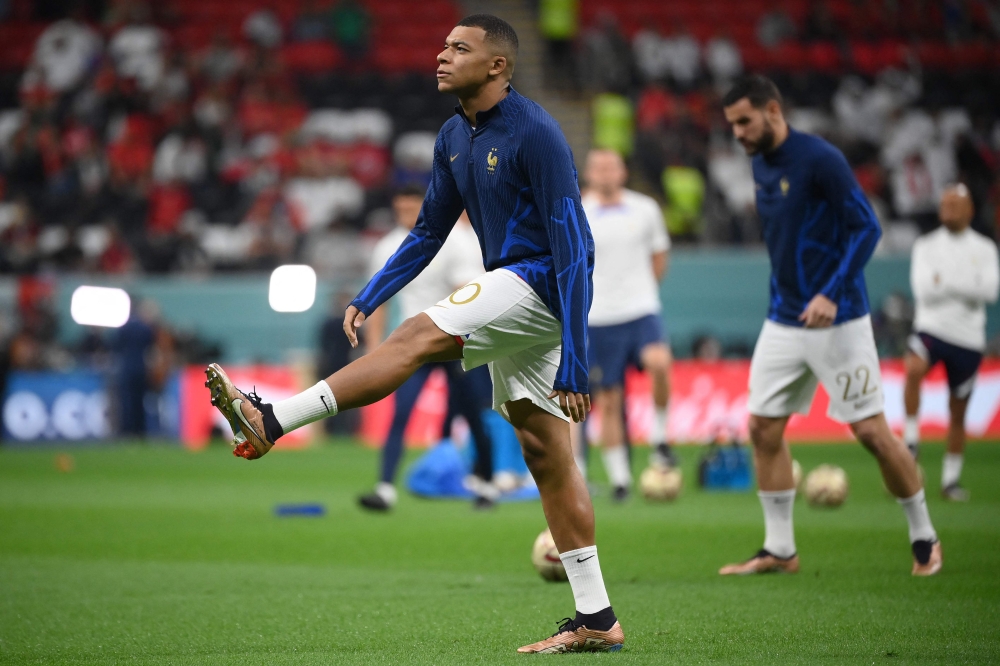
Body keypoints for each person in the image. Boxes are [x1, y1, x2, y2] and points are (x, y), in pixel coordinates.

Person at [203, 15, 624, 653]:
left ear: (497, 66)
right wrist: (372, 295)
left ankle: (272, 419)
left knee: (417, 336)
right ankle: (597, 619)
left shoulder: (536, 132)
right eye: (443, 45)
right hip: (517, 288)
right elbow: (429, 230)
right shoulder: (454, 135)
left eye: (460, 48)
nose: (442, 55)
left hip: (543, 282)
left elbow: (571, 245)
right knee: (546, 455)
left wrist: (578, 362)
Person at [717, 75, 942, 577]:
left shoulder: (820, 159)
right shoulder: (758, 160)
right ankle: (780, 549)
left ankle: (925, 536)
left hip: (838, 318)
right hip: (783, 318)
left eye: (744, 121)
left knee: (871, 433)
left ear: (773, 111)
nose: (737, 133)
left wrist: (830, 293)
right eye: (731, 124)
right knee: (762, 427)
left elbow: (867, 227)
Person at [357, 190, 497, 511]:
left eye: (411, 208)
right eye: (400, 209)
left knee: (474, 412)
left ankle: (486, 483)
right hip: (413, 342)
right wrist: (374, 348)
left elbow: (467, 290)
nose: (406, 215)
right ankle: (385, 487)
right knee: (401, 411)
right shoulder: (387, 246)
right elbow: (378, 299)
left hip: (453, 340)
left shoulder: (452, 240)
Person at [580, 148, 674, 501]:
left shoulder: (645, 208)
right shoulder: (577, 211)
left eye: (611, 166)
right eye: (598, 166)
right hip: (598, 316)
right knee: (608, 399)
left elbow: (659, 255)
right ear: (588, 173)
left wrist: (643, 291)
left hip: (640, 309)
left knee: (660, 363)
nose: (605, 172)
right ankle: (620, 480)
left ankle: (660, 436)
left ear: (623, 172)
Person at [903, 184, 999, 501]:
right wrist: (965, 285)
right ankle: (912, 440)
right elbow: (924, 290)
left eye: (954, 205)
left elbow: (989, 292)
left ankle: (950, 481)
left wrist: (945, 282)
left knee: (958, 412)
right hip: (931, 327)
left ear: (970, 210)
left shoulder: (985, 248)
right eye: (944, 205)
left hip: (968, 338)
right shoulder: (926, 245)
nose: (948, 210)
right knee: (913, 368)